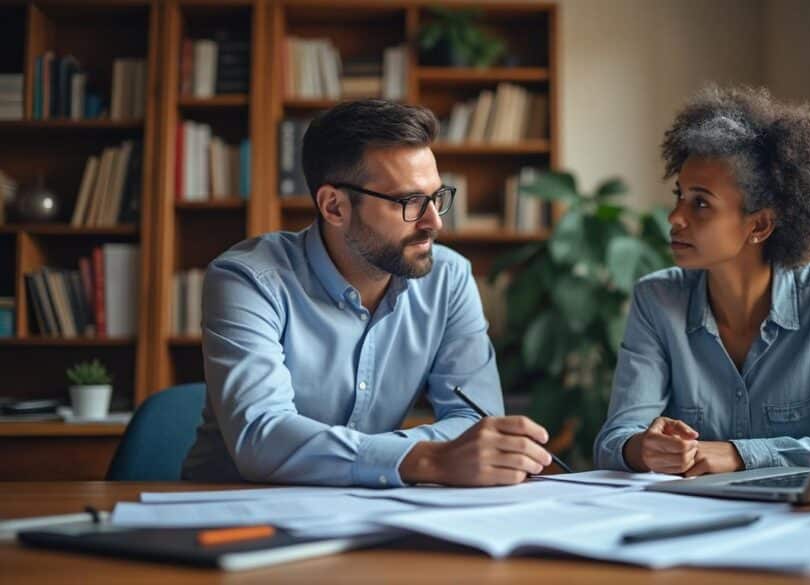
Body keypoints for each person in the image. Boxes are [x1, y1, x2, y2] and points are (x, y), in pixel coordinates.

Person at [182, 99, 552, 487]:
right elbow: (262, 436)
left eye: (437, 197)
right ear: (335, 207)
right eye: (410, 202)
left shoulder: (449, 279)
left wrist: (402, 459)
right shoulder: (247, 280)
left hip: (375, 511)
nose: (435, 222)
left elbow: (478, 424)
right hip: (234, 513)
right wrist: (427, 458)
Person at [594, 86, 810, 477]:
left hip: (806, 523)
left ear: (758, 224)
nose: (675, 216)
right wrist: (642, 448)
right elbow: (615, 439)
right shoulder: (657, 299)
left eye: (700, 202)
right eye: (679, 196)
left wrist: (741, 454)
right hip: (694, 525)